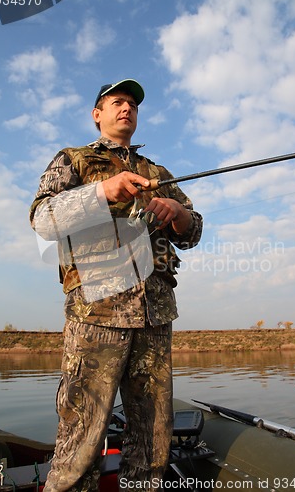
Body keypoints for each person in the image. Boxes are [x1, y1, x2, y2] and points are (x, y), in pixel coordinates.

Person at [30, 79, 203, 492]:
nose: (127, 108)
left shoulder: (158, 174)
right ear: (98, 114)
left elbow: (193, 231)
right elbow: (43, 218)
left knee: (152, 439)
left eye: (133, 105)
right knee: (81, 436)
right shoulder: (71, 160)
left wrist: (175, 210)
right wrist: (103, 191)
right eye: (117, 102)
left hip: (154, 316)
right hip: (97, 314)